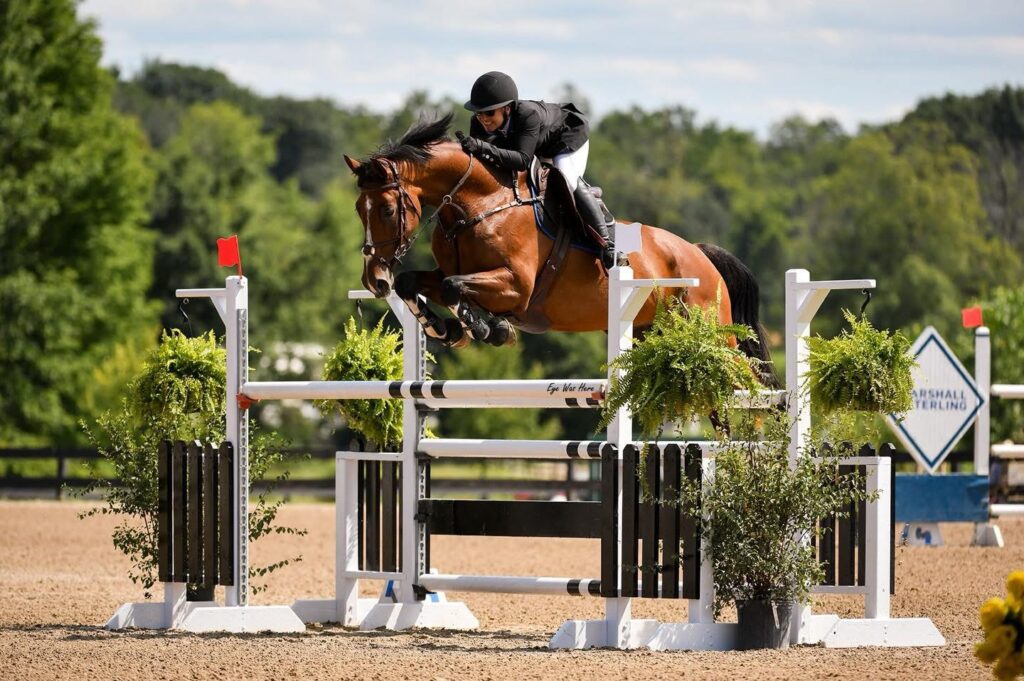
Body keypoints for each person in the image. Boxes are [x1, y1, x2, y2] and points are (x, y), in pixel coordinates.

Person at [460, 71, 619, 270]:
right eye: (479, 112)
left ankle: (607, 244)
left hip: (566, 136)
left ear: (507, 108)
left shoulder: (527, 115)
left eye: (489, 112)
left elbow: (522, 160)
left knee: (567, 179)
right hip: (537, 145)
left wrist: (482, 147)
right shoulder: (479, 123)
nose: (483, 118)